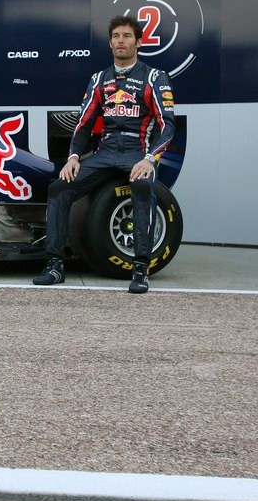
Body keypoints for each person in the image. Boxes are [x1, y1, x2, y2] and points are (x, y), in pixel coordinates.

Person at [33, 15, 175, 294]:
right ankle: (54, 265)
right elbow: (83, 124)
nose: (120, 41)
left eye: (126, 36)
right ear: (110, 43)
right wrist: (73, 157)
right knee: (59, 188)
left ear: (139, 42)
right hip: (104, 152)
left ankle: (140, 268)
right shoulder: (99, 79)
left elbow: (167, 124)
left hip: (137, 151)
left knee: (143, 186)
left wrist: (150, 159)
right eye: (116, 37)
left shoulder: (155, 77)